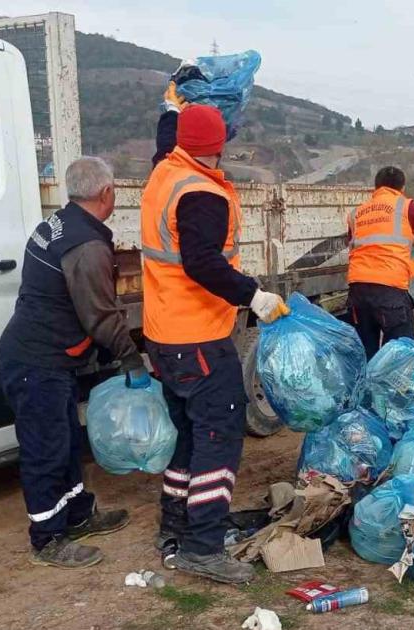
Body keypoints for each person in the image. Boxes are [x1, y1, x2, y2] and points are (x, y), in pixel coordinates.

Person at [142, 91, 287, 584]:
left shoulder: (165, 173)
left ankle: (176, 527)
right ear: (221, 145)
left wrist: (171, 106)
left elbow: (166, 142)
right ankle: (202, 548)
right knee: (218, 439)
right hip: (199, 337)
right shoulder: (201, 192)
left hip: (164, 336)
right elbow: (202, 262)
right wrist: (254, 295)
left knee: (189, 436)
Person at [0, 157, 140, 569]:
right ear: (106, 193)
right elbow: (100, 314)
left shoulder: (58, 224)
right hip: (36, 362)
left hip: (46, 358)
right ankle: (47, 537)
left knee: (67, 442)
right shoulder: (86, 245)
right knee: (45, 450)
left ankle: (78, 515)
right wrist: (131, 359)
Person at [345, 166, 414, 359]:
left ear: (376, 187)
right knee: (399, 355)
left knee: (365, 353)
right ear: (402, 188)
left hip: (358, 289)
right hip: (390, 289)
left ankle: (364, 389)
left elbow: (354, 246)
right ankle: (391, 390)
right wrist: (412, 241)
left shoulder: (356, 213)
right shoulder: (407, 206)